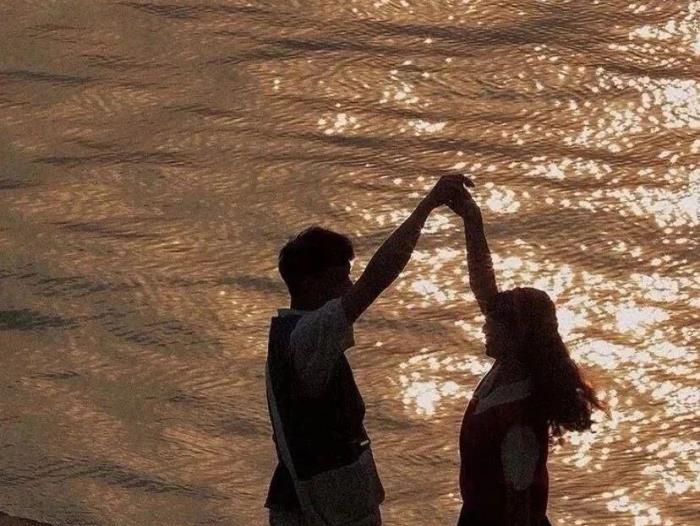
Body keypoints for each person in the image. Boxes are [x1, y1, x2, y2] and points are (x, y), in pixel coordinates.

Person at [265, 174, 473, 526]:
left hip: (316, 501)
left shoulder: (290, 335)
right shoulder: (310, 334)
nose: (349, 287)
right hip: (328, 508)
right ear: (309, 284)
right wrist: (426, 207)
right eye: (339, 279)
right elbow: (379, 276)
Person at [446, 186, 604, 526]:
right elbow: (483, 283)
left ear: (518, 335)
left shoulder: (518, 420)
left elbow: (519, 509)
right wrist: (472, 221)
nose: (485, 326)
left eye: (495, 324)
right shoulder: (508, 367)